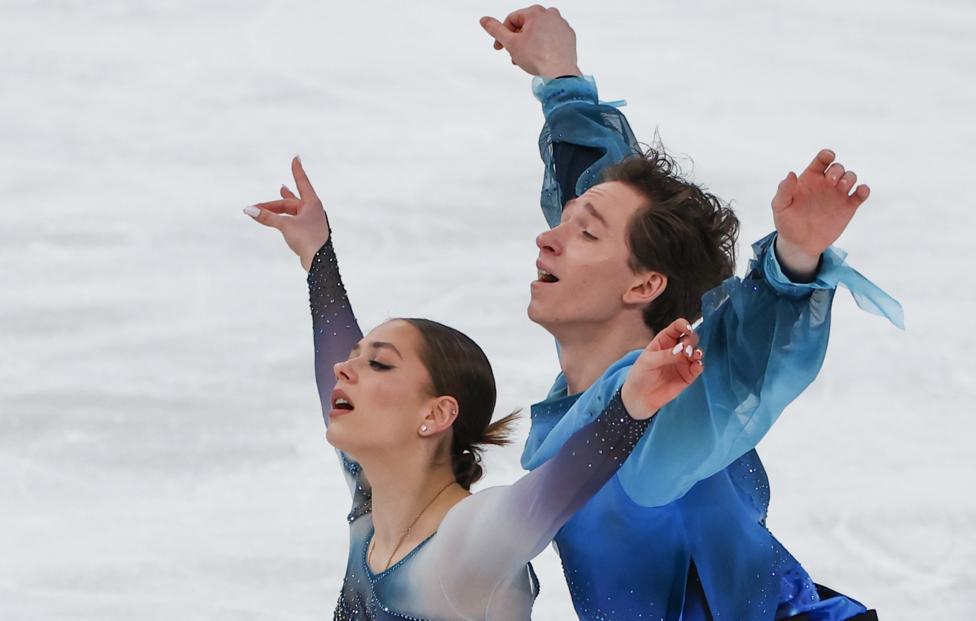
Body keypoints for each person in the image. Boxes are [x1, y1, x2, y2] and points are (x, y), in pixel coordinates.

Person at [478, 6, 903, 620]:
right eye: (566, 225)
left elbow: (742, 369)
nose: (548, 239)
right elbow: (597, 194)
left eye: (585, 234)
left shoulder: (664, 417)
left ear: (645, 285)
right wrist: (561, 77)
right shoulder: (601, 374)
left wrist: (793, 261)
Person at [244, 158, 706, 620]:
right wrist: (317, 255)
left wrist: (630, 407)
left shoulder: (466, 542)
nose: (344, 369)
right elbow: (336, 373)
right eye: (356, 358)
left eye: (379, 363)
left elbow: (549, 495)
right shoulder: (373, 505)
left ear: (436, 414)